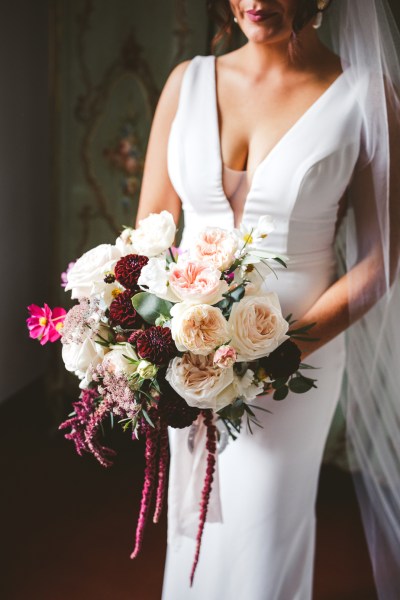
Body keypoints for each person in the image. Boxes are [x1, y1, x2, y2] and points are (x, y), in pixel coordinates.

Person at [135, 1, 400, 598]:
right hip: (190, 354)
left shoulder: (364, 95)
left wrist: (276, 354)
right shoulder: (188, 82)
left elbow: (382, 261)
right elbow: (148, 234)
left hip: (298, 361)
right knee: (194, 528)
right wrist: (152, 337)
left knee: (264, 537)